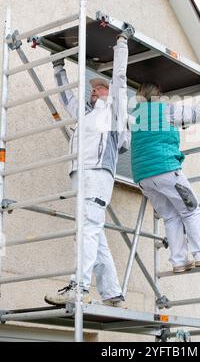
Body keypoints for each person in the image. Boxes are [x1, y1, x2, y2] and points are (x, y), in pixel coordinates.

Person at [44, 24, 134, 306]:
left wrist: (121, 43)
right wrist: (58, 64)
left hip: (97, 174)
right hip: (79, 174)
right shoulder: (84, 114)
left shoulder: (115, 113)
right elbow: (66, 95)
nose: (95, 92)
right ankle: (112, 292)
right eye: (93, 90)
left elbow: (119, 78)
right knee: (94, 230)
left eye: (100, 89)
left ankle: (79, 287)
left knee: (89, 228)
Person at [130, 65, 200, 273]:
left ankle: (179, 261)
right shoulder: (167, 109)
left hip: (142, 177)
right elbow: (198, 113)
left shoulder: (135, 116)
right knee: (191, 210)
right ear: (159, 94)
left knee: (171, 216)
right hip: (165, 169)